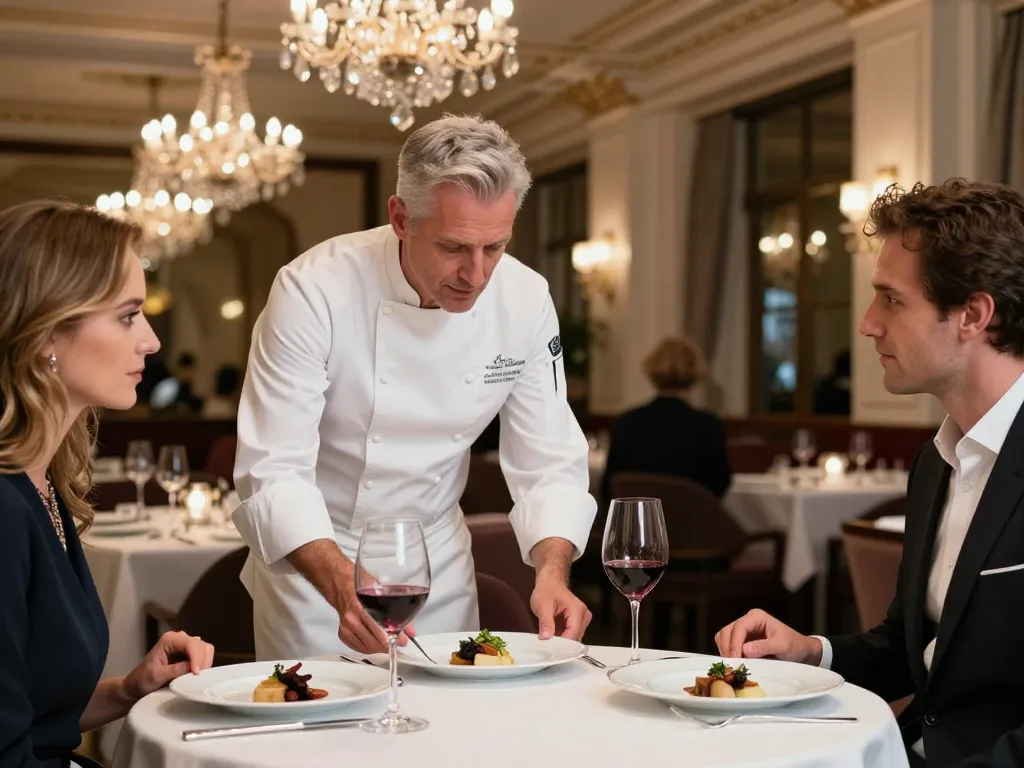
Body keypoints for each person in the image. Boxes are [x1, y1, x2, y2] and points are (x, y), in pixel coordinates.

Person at [233, 114, 597, 660]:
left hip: (437, 557)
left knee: (450, 732)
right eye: (453, 248)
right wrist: (341, 589)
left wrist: (552, 572)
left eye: (495, 248)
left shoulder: (525, 299)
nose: (475, 275)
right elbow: (273, 470)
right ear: (401, 218)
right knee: (318, 730)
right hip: (318, 557)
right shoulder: (314, 289)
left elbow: (548, 458)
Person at [714, 179, 1024, 768]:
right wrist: (810, 653)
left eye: (893, 299)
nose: (867, 323)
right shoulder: (938, 462)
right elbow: (916, 649)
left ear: (972, 315)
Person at [0, 200, 215, 767]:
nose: (152, 341)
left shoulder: (41, 485)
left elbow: (30, 713)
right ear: (47, 329)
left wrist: (128, 689)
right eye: (127, 315)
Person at [600, 336, 731, 505]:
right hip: (692, 523)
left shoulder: (628, 422)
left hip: (638, 524)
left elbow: (609, 485)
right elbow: (719, 484)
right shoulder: (708, 426)